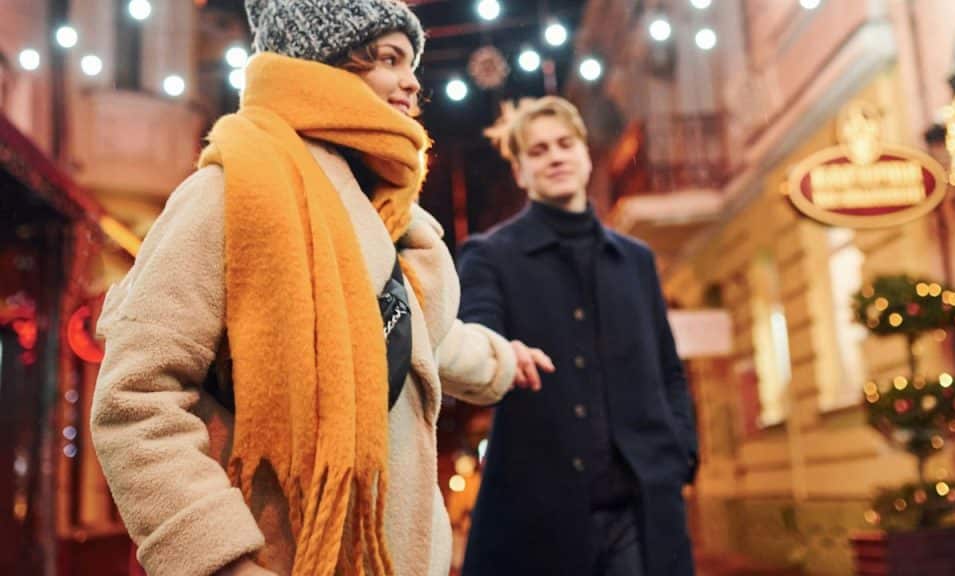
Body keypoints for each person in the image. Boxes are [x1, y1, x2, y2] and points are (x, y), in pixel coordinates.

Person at [89, 2, 550, 575]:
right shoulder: (233, 193)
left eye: (412, 63)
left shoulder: (386, 215)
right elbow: (135, 397)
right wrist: (220, 560)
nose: (411, 79)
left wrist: (503, 360)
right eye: (388, 58)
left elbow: (414, 339)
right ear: (321, 65)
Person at [458, 96, 700, 576]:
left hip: (641, 509)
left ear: (587, 156)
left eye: (566, 144)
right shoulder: (488, 257)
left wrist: (680, 456)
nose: (555, 157)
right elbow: (475, 332)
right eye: (538, 150)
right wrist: (498, 351)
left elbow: (670, 371)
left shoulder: (636, 260)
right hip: (538, 519)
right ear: (521, 172)